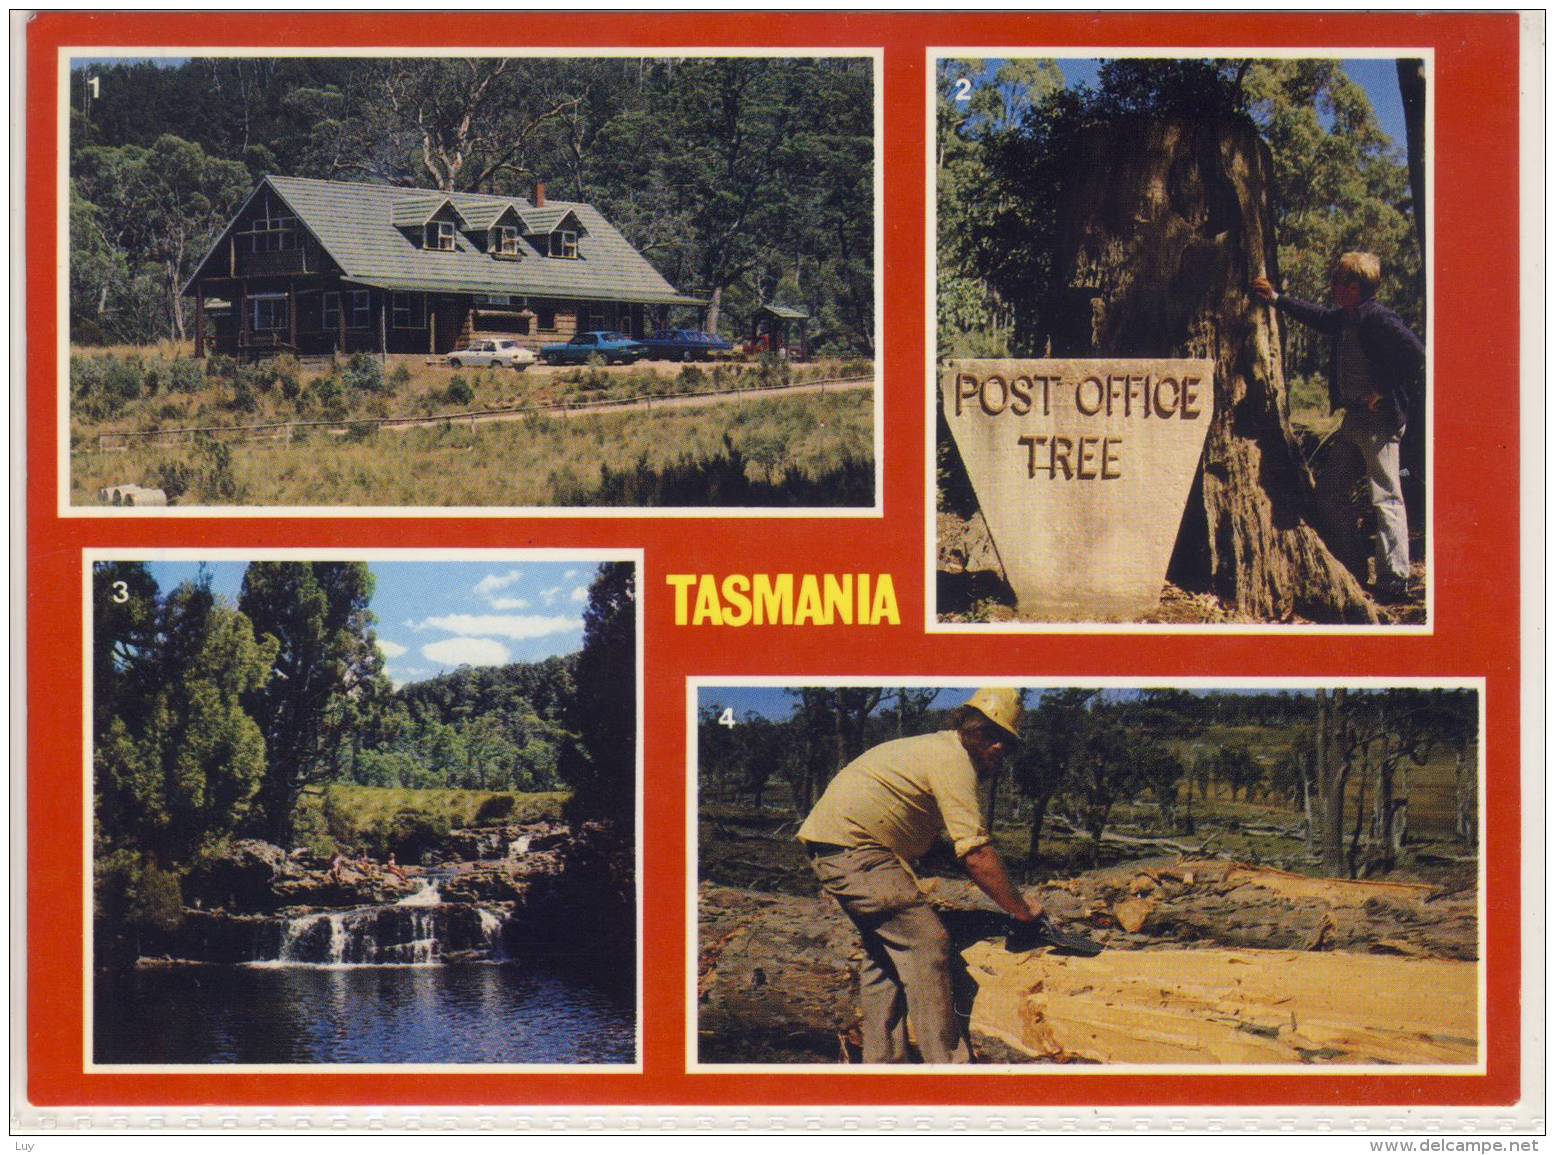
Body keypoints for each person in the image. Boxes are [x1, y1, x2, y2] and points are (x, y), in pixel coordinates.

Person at [796, 688, 1045, 1064]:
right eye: (987, 735)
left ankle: (883, 1064)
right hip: (857, 849)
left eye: (1005, 742)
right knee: (928, 941)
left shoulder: (935, 749)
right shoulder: (954, 759)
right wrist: (1022, 910)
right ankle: (946, 1067)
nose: (996, 748)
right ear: (968, 728)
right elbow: (975, 853)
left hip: (839, 845)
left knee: (885, 957)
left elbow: (946, 846)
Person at [1252, 253, 1425, 601]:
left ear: (1354, 288)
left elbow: (1418, 355)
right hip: (1354, 421)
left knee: (1386, 496)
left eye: (1337, 282)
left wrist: (1385, 391)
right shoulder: (1346, 318)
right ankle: (1353, 568)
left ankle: (1395, 580)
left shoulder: (1379, 319)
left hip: (1380, 423)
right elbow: (1316, 316)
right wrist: (1276, 299)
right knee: (1331, 493)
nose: (1332, 287)